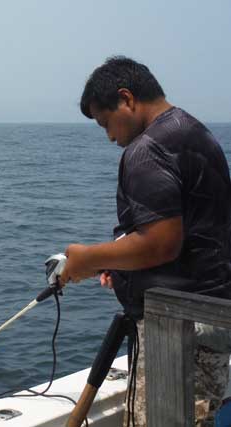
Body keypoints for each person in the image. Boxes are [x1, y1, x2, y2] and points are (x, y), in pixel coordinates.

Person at [60, 56, 231, 426]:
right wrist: (120, 263)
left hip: (178, 330)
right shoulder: (197, 134)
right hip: (213, 317)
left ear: (127, 99)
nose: (110, 137)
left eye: (106, 123)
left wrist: (87, 259)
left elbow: (160, 243)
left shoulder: (148, 148)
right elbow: (192, 233)